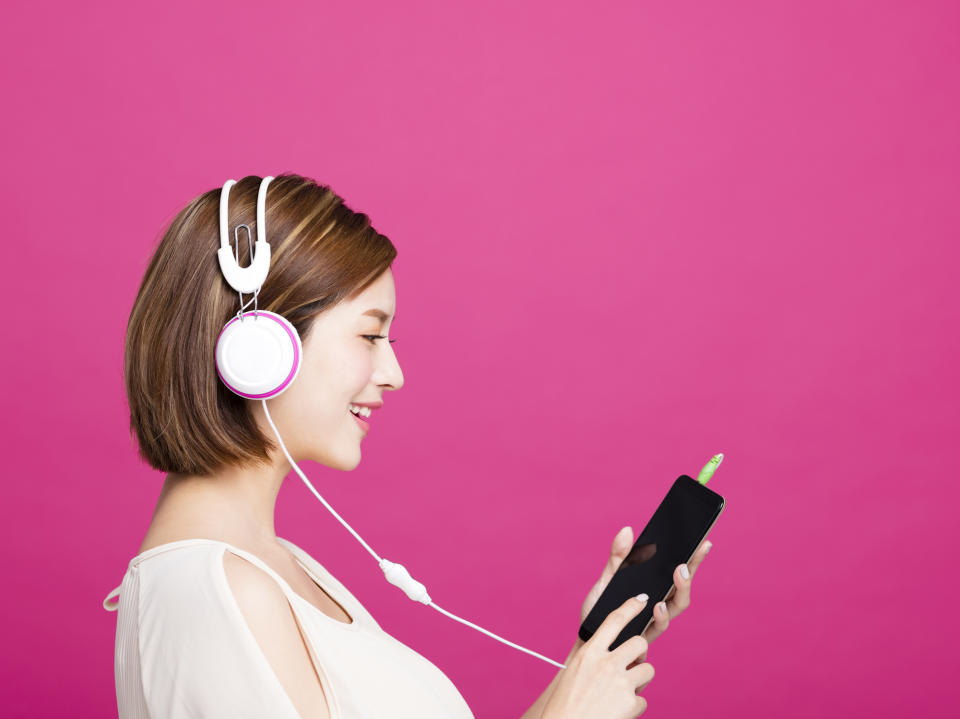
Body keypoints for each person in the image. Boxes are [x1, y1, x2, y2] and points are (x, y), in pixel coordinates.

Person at [102, 173, 712, 719]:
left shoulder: (274, 570)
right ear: (256, 347)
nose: (394, 372)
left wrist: (588, 661)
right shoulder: (218, 593)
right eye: (370, 334)